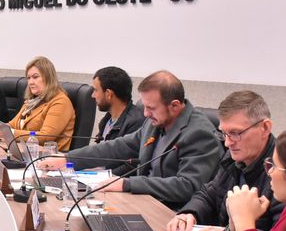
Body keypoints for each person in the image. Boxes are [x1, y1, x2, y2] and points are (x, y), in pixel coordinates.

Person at [46, 70, 222, 210]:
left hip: (171, 213)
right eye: (144, 106)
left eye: (151, 108)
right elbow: (119, 146)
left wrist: (128, 184)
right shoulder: (155, 122)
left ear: (174, 105)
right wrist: (68, 159)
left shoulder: (199, 133)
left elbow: (187, 185)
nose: (145, 113)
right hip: (143, 202)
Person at [167, 91, 284, 231]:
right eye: (224, 133)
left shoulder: (283, 172)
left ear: (265, 128)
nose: (227, 143)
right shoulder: (234, 156)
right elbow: (210, 193)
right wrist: (189, 213)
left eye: (235, 133)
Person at [5, 56, 75, 151]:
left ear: (48, 78)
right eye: (28, 78)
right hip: (25, 152)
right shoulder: (32, 101)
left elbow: (46, 136)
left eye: (35, 77)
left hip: (49, 156)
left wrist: (11, 133)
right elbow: (13, 124)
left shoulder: (60, 102)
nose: (30, 82)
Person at [91, 66, 146, 175]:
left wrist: (100, 176)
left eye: (96, 90)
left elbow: (131, 166)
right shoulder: (107, 120)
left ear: (109, 94)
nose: (93, 95)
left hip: (114, 181)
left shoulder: (136, 123)